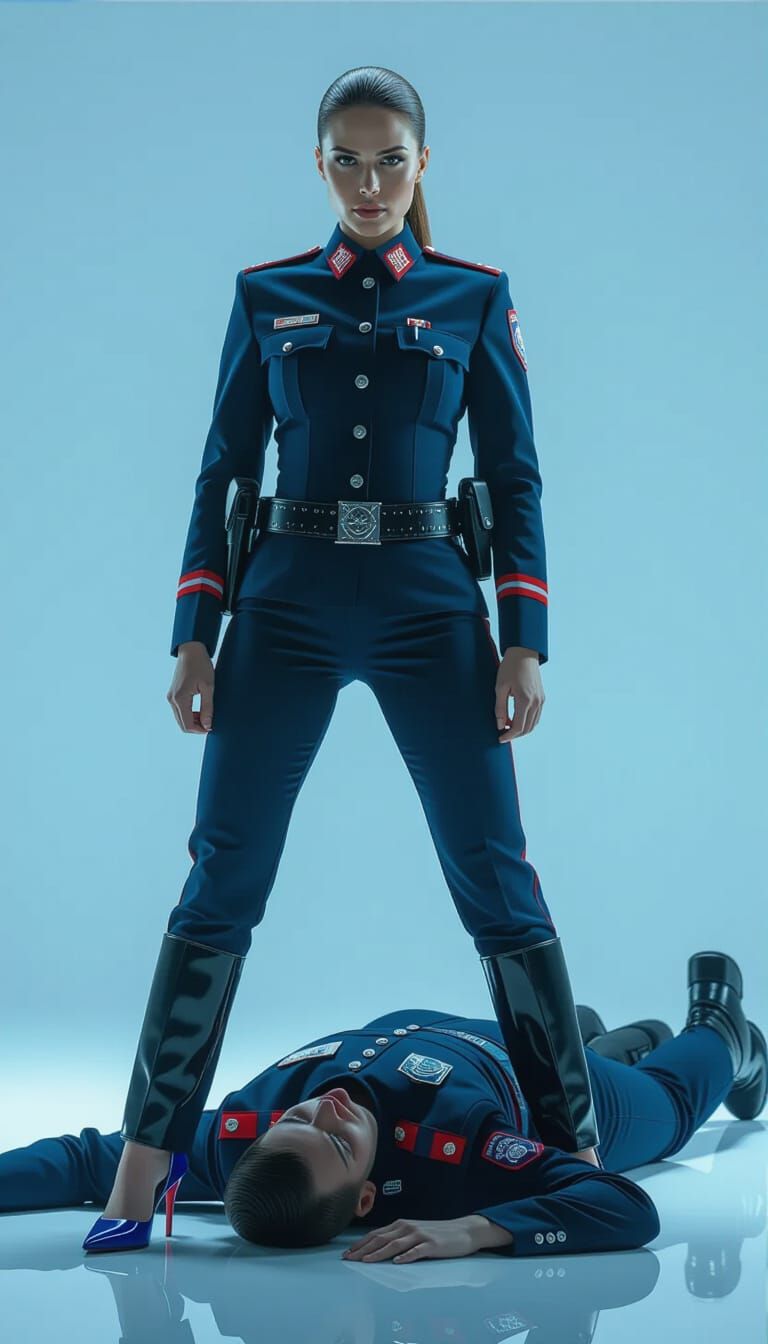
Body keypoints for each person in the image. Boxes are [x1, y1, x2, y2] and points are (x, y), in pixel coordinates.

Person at [85, 64, 615, 1250]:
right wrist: (194, 634)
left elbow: (516, 477)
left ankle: (572, 1154)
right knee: (222, 878)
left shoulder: (474, 296)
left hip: (431, 606)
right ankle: (141, 1170)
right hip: (286, 608)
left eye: (389, 162)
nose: (369, 184)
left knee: (496, 875)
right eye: (346, 161)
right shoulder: (265, 295)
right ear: (317, 165)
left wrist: (523, 641)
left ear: (422, 166)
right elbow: (222, 474)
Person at [4, 952, 765, 1260]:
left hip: (457, 1029)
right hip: (526, 1077)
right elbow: (624, 1207)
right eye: (338, 1140)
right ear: (368, 1198)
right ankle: (724, 1032)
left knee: (603, 1060)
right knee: (667, 1111)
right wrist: (474, 1231)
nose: (326, 1105)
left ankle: (595, 1037)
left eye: (298, 1119)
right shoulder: (458, 1153)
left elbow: (86, 1161)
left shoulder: (243, 1136)